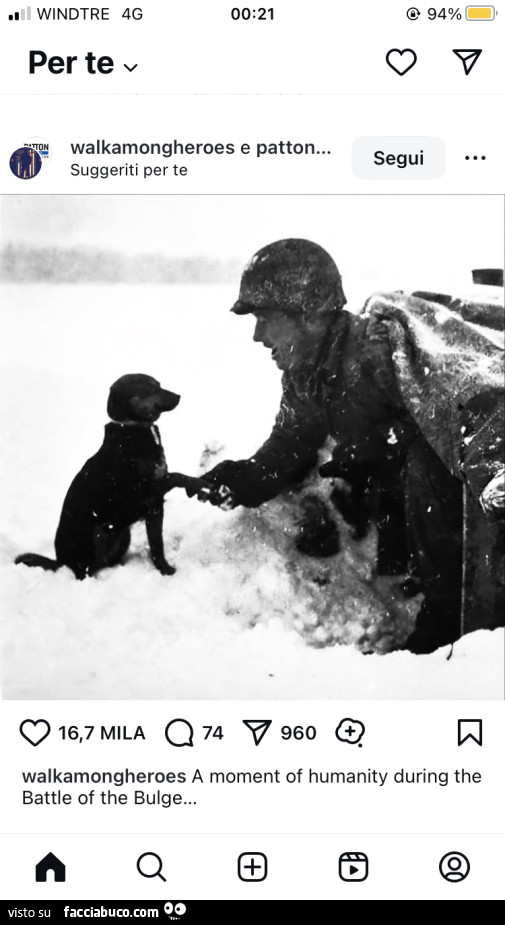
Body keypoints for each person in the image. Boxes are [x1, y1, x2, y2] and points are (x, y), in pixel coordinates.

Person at [201, 239, 504, 653]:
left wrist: (494, 477)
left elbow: (478, 401)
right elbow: (291, 444)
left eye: (266, 320)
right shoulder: (305, 375)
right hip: (413, 513)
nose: (258, 336)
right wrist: (246, 478)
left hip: (461, 502)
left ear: (307, 315)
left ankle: (454, 622)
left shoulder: (383, 347)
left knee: (423, 465)